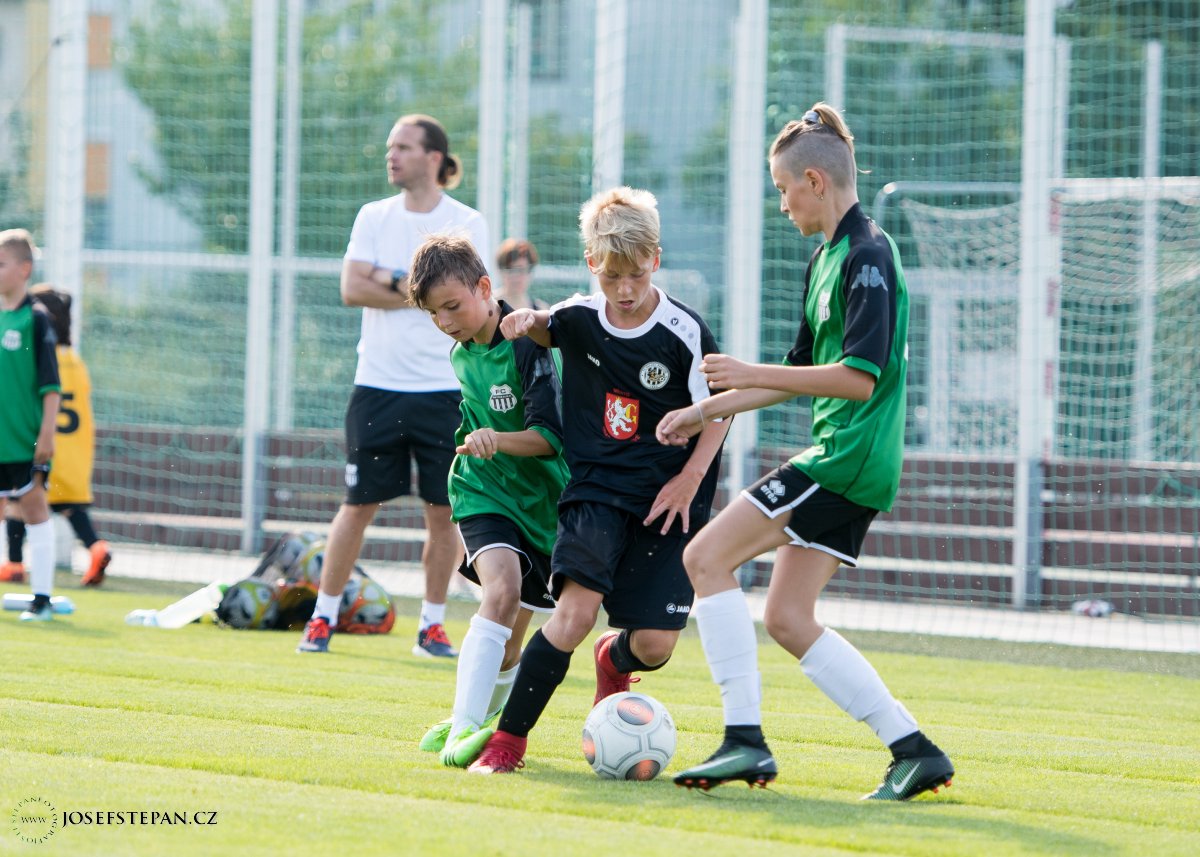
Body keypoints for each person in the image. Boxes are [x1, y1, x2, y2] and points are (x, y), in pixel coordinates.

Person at [656, 103, 954, 800]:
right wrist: (704, 410)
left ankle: (744, 739)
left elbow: (856, 378)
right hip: (847, 456)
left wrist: (747, 371)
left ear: (814, 181)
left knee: (704, 557)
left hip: (848, 456)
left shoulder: (868, 255)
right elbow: (797, 372)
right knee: (787, 617)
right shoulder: (824, 258)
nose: (783, 203)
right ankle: (914, 750)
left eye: (784, 189)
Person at [467, 186, 731, 775]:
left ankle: (614, 659)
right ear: (593, 264)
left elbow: (721, 409)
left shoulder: (683, 330)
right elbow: (548, 326)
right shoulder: (580, 316)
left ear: (655, 259)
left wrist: (690, 479)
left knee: (655, 646)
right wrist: (530, 320)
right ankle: (506, 743)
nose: (625, 289)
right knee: (572, 617)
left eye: (636, 274)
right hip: (595, 494)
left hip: (669, 502)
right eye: (612, 276)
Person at [296, 114, 490, 656]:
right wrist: (419, 288)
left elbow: (466, 298)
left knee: (443, 512)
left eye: (403, 147)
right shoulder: (373, 215)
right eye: (390, 147)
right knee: (357, 505)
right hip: (377, 386)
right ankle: (322, 618)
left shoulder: (467, 221)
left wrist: (388, 280)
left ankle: (431, 626)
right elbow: (351, 288)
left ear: (434, 157)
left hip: (447, 389)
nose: (392, 155)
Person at [406, 234, 570, 768]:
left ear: (483, 287)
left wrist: (496, 438)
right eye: (434, 313)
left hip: (543, 503)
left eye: (452, 306)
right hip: (482, 488)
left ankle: (474, 718)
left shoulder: (528, 342)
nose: (445, 322)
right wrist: (485, 445)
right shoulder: (460, 352)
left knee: (511, 643)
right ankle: (463, 729)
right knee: (500, 592)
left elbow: (549, 437)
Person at [3, 285, 111, 587]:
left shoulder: (37, 358)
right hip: (76, 452)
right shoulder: (76, 363)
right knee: (70, 508)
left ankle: (14, 564)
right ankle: (96, 548)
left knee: (18, 503)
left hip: (42, 446)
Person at [0, 229, 62, 621]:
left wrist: (46, 434)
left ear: (24, 269)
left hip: (24, 441)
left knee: (35, 509)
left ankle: (42, 600)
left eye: (0, 264)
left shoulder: (35, 320)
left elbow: (51, 386)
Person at [494, 238, 547, 310]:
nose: (517, 277)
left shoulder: (540, 309)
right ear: (501, 271)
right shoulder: (488, 305)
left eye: (523, 270)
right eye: (513, 270)